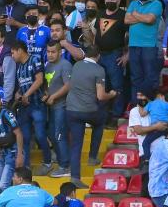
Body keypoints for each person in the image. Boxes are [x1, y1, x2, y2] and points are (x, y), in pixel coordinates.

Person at [65, 45, 117, 188]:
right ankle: (92, 157)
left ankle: (75, 177)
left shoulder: (76, 65)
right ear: (98, 56)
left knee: (76, 145)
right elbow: (101, 96)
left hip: (71, 110)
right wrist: (111, 95)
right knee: (100, 122)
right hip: (89, 111)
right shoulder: (99, 70)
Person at [11, 40, 50, 175]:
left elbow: (39, 80)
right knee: (25, 137)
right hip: (24, 107)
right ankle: (26, 166)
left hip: (37, 104)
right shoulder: (19, 66)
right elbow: (22, 86)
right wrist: (18, 94)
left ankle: (47, 162)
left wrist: (26, 94)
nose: (12, 56)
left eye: (13, 53)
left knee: (40, 135)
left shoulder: (35, 59)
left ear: (20, 50)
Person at [94, 0, 127, 125]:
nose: (110, 1)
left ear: (119, 0)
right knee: (101, 85)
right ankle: (103, 115)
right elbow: (97, 34)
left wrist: (128, 54)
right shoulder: (100, 13)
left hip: (115, 54)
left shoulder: (124, 15)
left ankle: (115, 116)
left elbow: (133, 36)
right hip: (100, 55)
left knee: (117, 85)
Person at [125, 0, 163, 102]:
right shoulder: (133, 3)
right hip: (133, 45)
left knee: (149, 77)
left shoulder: (157, 4)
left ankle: (149, 104)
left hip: (149, 46)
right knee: (136, 77)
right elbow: (126, 20)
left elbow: (150, 20)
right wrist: (142, 17)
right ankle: (137, 105)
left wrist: (135, 15)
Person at [42, 40, 71, 178]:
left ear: (60, 52)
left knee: (60, 136)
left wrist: (54, 96)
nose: (50, 54)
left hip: (62, 106)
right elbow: (47, 84)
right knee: (52, 134)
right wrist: (47, 94)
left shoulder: (65, 65)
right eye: (48, 52)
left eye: (53, 52)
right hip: (51, 107)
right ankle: (61, 161)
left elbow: (68, 85)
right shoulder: (47, 65)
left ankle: (65, 166)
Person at [0, 90, 24, 192]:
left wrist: (19, 155)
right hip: (3, 153)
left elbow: (19, 133)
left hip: (12, 153)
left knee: (4, 185)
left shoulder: (6, 113)